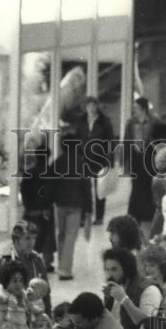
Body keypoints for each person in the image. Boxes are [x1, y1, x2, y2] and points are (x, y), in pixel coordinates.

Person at [0, 219, 50, 319]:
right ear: (16, 239)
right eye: (27, 238)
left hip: (30, 318)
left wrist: (47, 316)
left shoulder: (37, 260)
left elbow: (45, 291)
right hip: (5, 320)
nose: (32, 243)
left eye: (34, 238)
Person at [101, 248, 162, 329]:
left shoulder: (149, 290)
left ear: (126, 269)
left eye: (114, 269)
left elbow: (147, 324)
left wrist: (124, 299)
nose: (109, 275)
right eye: (107, 270)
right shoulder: (118, 286)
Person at [50, 128, 93, 281]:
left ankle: (62, 265)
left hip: (59, 205)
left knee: (61, 235)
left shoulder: (57, 163)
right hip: (76, 205)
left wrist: (51, 201)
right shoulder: (81, 163)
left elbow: (50, 184)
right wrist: (89, 210)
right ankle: (65, 270)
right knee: (70, 237)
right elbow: (87, 187)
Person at [75, 95, 115, 225]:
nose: (91, 108)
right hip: (84, 158)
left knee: (100, 189)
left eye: (93, 106)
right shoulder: (81, 121)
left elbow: (110, 141)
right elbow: (76, 139)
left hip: (100, 159)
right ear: (85, 107)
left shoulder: (104, 121)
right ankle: (84, 216)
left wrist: (109, 161)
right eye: (88, 106)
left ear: (97, 107)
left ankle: (99, 216)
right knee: (84, 189)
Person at [122, 97, 158, 233]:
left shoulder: (154, 122)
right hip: (136, 158)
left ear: (143, 108)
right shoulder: (131, 123)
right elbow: (126, 142)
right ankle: (135, 213)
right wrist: (124, 162)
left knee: (148, 186)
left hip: (149, 157)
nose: (134, 110)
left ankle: (147, 213)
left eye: (136, 108)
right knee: (136, 186)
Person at [20, 138, 56, 271]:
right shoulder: (52, 173)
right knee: (47, 238)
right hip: (46, 211)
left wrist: (28, 207)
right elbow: (53, 192)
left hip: (31, 211)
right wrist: (48, 207)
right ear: (48, 157)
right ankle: (47, 263)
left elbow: (24, 190)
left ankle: (28, 261)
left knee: (30, 237)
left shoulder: (29, 173)